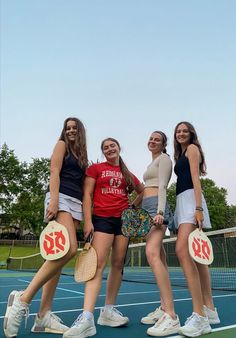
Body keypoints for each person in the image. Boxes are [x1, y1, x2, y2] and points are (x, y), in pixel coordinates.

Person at [3, 117, 88, 337]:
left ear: (80, 132)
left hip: (76, 203)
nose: (70, 131)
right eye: (67, 128)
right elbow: (54, 171)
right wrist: (53, 201)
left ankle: (43, 316)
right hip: (61, 198)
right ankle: (22, 300)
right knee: (69, 249)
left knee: (57, 258)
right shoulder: (61, 145)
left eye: (74, 128)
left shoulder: (82, 155)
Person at [63, 137, 144, 338]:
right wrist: (88, 221)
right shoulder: (96, 169)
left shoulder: (126, 173)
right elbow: (87, 195)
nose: (109, 149)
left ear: (119, 148)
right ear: (103, 152)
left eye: (112, 146)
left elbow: (142, 190)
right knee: (98, 264)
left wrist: (133, 207)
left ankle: (108, 311)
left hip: (123, 221)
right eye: (106, 147)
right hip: (102, 219)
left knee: (118, 264)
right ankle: (87, 317)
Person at [173, 121, 220, 338]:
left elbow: (195, 179)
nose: (181, 133)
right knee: (198, 258)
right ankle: (209, 309)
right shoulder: (180, 154)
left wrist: (199, 207)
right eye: (178, 131)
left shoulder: (192, 149)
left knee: (183, 251)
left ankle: (199, 316)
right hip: (182, 201)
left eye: (185, 131)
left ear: (191, 134)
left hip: (192, 201)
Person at [139, 131, 180, 337]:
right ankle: (164, 307)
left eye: (157, 139)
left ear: (163, 144)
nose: (152, 141)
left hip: (156, 207)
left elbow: (162, 186)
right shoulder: (151, 164)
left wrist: (160, 212)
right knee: (160, 257)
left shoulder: (164, 158)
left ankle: (171, 316)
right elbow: (145, 188)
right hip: (147, 206)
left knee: (152, 254)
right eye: (151, 138)